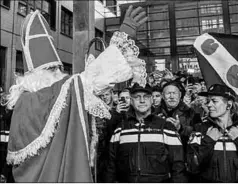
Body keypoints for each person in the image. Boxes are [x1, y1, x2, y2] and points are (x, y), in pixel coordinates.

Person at [4, 6, 148, 182]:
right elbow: (94, 78)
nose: (59, 73)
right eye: (54, 70)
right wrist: (125, 34)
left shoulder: (21, 103)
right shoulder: (56, 93)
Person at [105, 83, 187, 182]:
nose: (142, 100)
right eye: (137, 97)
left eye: (146, 97)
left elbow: (178, 165)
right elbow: (111, 165)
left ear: (152, 100)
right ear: (131, 101)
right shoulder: (121, 129)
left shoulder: (166, 127)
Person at [186, 84, 238, 182]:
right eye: (208, 101)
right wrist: (208, 141)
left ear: (229, 105)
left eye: (214, 101)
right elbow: (191, 167)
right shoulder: (199, 130)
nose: (209, 105)